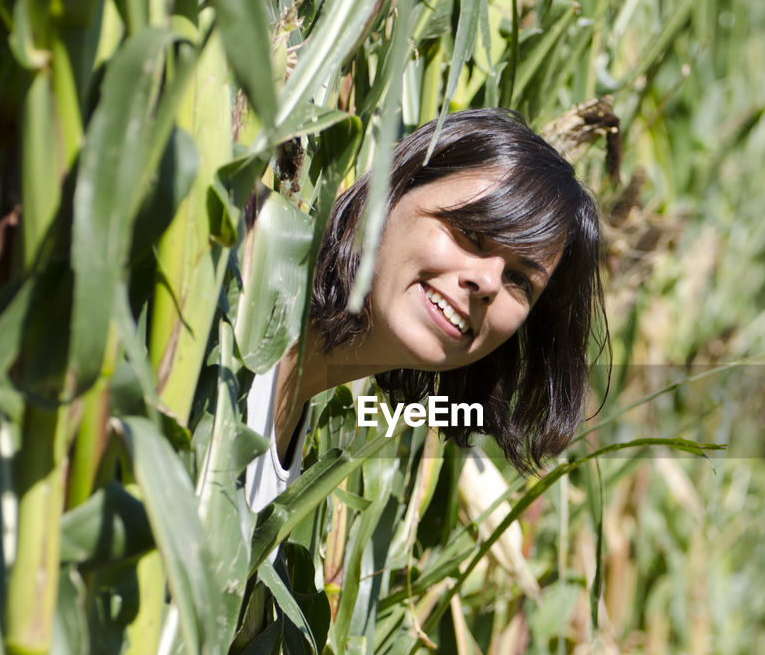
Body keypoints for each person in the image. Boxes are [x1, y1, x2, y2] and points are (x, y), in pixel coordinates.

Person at [246, 108, 604, 511]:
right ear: (394, 187)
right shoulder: (233, 258)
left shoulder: (288, 444)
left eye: (520, 281)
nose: (487, 283)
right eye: (470, 233)